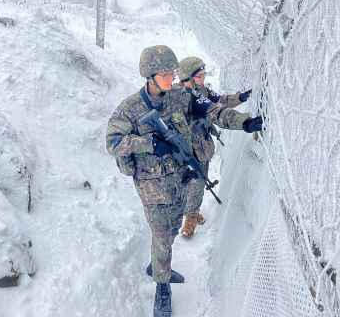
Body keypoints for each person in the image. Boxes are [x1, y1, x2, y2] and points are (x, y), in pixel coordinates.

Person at [105, 45, 263, 317]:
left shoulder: (181, 95)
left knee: (174, 225)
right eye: (165, 74)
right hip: (151, 185)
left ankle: (158, 266)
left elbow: (212, 111)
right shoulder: (129, 108)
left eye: (173, 73)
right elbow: (113, 142)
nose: (171, 78)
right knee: (162, 234)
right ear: (149, 76)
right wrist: (150, 143)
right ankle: (161, 286)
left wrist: (244, 122)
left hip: (179, 179)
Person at [174, 56, 253, 238]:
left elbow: (220, 103)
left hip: (200, 148)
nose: (203, 80)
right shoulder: (175, 96)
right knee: (187, 185)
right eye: (199, 76)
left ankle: (191, 215)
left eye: (204, 76)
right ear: (187, 77)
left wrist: (238, 98)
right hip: (181, 150)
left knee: (198, 183)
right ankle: (190, 214)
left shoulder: (201, 92)